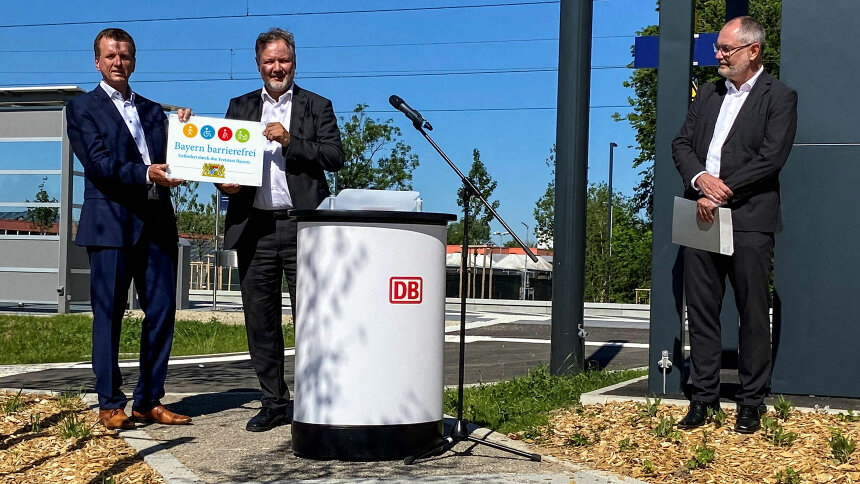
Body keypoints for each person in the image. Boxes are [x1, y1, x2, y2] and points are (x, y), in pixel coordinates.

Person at [672, 16, 797, 434]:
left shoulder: (779, 97)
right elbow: (681, 144)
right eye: (718, 48)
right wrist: (698, 180)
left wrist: (720, 190)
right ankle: (703, 398)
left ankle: (750, 401)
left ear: (753, 51)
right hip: (699, 214)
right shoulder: (707, 94)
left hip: (749, 218)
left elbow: (771, 158)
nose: (719, 56)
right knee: (702, 311)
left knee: (752, 312)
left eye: (726, 48)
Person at [218, 28, 344, 432]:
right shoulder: (238, 107)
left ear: (295, 61)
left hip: (302, 227)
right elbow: (219, 163)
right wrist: (224, 182)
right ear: (258, 65)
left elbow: (334, 156)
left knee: (312, 317)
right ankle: (273, 402)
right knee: (260, 319)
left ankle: (315, 400)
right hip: (254, 227)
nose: (277, 68)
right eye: (269, 61)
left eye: (284, 60)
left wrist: (292, 141)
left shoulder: (316, 105)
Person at [66, 28, 193, 430]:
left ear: (134, 60)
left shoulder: (155, 111)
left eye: (125, 55)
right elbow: (99, 163)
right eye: (111, 56)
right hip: (111, 226)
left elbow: (173, 158)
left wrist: (187, 132)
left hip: (157, 225)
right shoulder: (82, 108)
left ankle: (149, 401)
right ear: (97, 62)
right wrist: (146, 173)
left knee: (161, 312)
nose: (118, 62)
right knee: (109, 315)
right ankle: (110, 403)